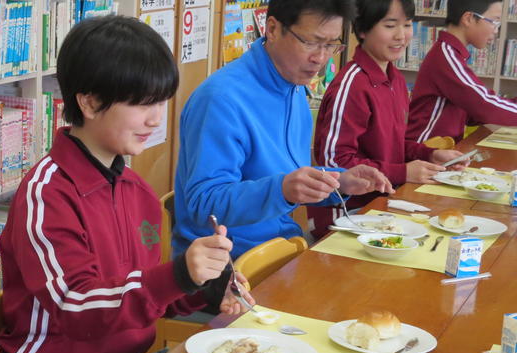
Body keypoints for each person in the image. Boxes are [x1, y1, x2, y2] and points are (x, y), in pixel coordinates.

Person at [0, 15, 252, 353]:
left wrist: (208, 285)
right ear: (90, 102)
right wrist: (179, 275)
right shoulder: (47, 194)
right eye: (142, 104)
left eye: (161, 102)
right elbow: (76, 307)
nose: (156, 119)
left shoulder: (135, 190)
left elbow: (145, 296)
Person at [174, 0, 394, 258]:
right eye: (311, 42)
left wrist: (340, 182)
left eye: (330, 45)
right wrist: (282, 190)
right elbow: (204, 205)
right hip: (227, 263)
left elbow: (286, 177)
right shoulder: (221, 99)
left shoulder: (293, 85)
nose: (320, 58)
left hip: (281, 248)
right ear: (272, 29)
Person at [309, 0, 466, 238]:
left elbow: (390, 145)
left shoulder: (396, 79)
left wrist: (429, 154)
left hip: (384, 207)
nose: (401, 36)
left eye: (407, 25)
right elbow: (334, 163)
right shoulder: (352, 84)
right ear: (363, 30)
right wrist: (402, 172)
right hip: (346, 216)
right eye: (390, 25)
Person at [407, 0, 517, 143]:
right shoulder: (446, 56)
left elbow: (471, 109)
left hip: (443, 148)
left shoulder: (452, 54)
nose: (496, 31)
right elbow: (482, 104)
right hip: (424, 148)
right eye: (494, 22)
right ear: (468, 18)